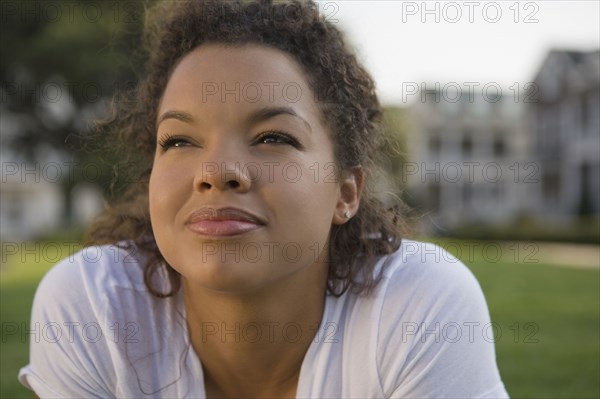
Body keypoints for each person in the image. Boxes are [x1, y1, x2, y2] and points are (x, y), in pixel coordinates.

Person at [18, 1, 509, 397]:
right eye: (180, 141)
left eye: (274, 137)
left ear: (346, 192)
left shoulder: (417, 307)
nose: (215, 173)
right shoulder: (95, 310)